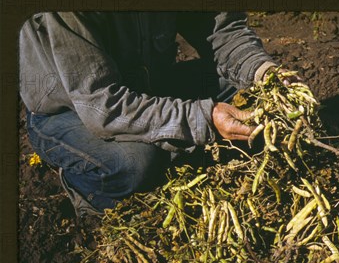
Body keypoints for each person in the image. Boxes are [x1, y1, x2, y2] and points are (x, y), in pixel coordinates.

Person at [19, 12, 300, 216]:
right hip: (72, 111)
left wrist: (264, 73)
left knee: (253, 92)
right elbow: (103, 104)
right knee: (134, 164)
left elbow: (222, 30)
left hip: (150, 86)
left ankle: (173, 143)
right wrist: (204, 117)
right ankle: (87, 186)